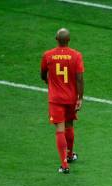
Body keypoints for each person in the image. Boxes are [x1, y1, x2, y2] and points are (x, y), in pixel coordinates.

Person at [40, 28, 84, 174]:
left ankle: (64, 165)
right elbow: (79, 79)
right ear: (69, 40)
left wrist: (50, 82)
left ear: (56, 39)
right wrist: (80, 98)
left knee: (60, 129)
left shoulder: (48, 55)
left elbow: (42, 74)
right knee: (70, 125)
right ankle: (70, 155)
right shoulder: (76, 56)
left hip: (56, 99)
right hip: (71, 97)